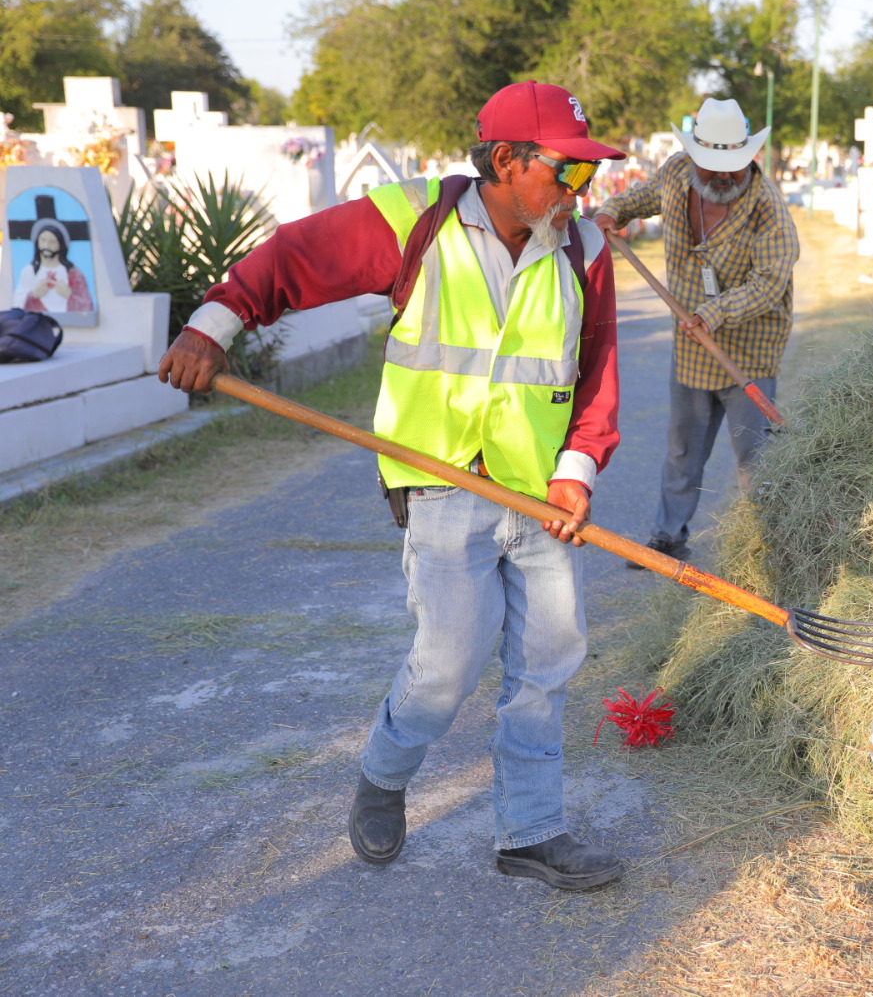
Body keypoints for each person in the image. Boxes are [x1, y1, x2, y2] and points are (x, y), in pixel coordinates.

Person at [157, 81, 629, 890]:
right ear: (508, 161)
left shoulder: (580, 249)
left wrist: (576, 471)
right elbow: (300, 257)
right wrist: (215, 322)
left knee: (548, 659)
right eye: (568, 171)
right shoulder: (417, 221)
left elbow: (597, 376)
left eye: (588, 174)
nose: (581, 191)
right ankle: (382, 773)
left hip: (541, 497)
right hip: (442, 486)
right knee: (447, 664)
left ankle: (530, 831)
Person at [593, 97, 800, 561]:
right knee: (683, 451)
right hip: (691, 349)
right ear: (695, 159)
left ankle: (770, 547)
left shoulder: (766, 207)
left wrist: (715, 312)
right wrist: (612, 211)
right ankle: (668, 537)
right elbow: (640, 197)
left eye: (733, 167)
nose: (724, 177)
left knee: (755, 462)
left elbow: (770, 281)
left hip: (749, 351)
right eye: (713, 168)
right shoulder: (675, 173)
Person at [16, 222, 93, 314]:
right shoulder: (29, 271)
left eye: (52, 242)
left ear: (60, 244)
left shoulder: (72, 273)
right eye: (43, 240)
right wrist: (33, 295)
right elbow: (16, 305)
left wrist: (68, 295)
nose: (46, 246)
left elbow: (88, 307)